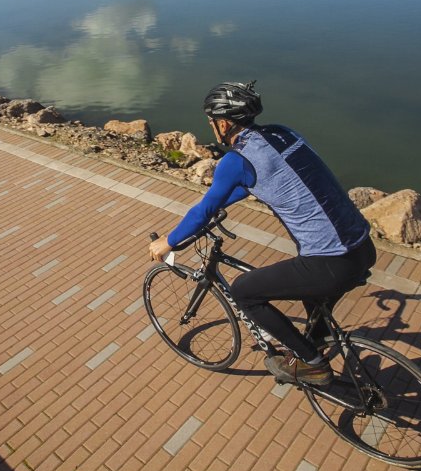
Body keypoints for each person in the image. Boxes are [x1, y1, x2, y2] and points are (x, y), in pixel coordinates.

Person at [148, 81, 376, 387]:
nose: (212, 128)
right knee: (315, 304)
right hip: (362, 246)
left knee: (244, 292)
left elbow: (204, 210)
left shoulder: (235, 161)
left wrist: (169, 241)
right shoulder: (284, 133)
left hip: (331, 262)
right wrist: (219, 203)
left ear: (224, 123)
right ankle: (315, 343)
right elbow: (264, 180)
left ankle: (313, 364)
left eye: (211, 122)